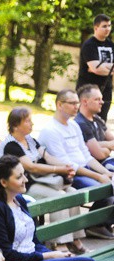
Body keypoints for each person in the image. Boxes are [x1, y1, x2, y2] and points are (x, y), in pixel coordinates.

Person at [0, 106, 86, 253]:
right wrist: (59, 170)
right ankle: (60, 242)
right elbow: (32, 167)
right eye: (27, 121)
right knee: (59, 197)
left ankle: (74, 238)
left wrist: (67, 167)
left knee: (73, 193)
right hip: (25, 186)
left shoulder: (30, 140)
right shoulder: (11, 145)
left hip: (43, 181)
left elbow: (48, 158)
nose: (32, 124)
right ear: (16, 125)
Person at [38, 89, 114, 239]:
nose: (76, 106)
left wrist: (105, 172)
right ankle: (93, 225)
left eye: (77, 103)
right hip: (70, 175)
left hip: (85, 169)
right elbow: (68, 165)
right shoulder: (50, 130)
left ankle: (96, 224)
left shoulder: (74, 126)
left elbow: (86, 156)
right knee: (106, 191)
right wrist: (99, 177)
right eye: (72, 103)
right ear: (59, 105)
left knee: (110, 183)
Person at [77, 14, 114, 121]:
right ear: (96, 28)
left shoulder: (111, 45)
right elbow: (95, 69)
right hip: (87, 90)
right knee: (85, 120)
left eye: (109, 26)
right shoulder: (89, 45)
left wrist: (102, 66)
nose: (108, 29)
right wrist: (109, 69)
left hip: (105, 90)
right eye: (104, 26)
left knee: (101, 121)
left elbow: (97, 67)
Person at [75, 84, 114, 170]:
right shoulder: (81, 123)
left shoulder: (97, 118)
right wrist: (108, 148)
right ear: (85, 102)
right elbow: (99, 154)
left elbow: (112, 139)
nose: (102, 102)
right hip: (93, 167)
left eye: (101, 99)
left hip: (106, 161)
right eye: (97, 99)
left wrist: (101, 145)